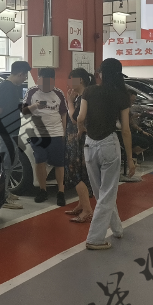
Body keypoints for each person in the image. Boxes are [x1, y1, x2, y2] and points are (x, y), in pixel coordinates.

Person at [77, 58, 134, 250]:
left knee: (102, 193)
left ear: (101, 74)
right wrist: (130, 159)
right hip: (109, 144)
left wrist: (81, 129)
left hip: (89, 144)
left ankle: (117, 229)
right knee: (107, 194)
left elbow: (80, 118)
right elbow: (125, 130)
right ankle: (95, 238)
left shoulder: (89, 91)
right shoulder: (122, 95)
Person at [0, 60, 31, 209]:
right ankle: (2, 197)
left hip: (10, 130)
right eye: (25, 76)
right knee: (6, 162)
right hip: (5, 130)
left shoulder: (4, 85)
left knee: (13, 159)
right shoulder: (8, 88)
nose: (25, 79)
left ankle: (5, 191)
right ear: (20, 74)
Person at [21, 68, 67, 205]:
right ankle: (42, 190)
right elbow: (24, 111)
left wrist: (63, 132)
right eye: (43, 82)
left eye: (49, 83)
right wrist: (35, 106)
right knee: (39, 161)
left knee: (59, 163)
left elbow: (63, 113)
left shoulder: (59, 93)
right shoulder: (32, 92)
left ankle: (61, 192)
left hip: (56, 133)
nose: (46, 86)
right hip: (38, 134)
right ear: (38, 79)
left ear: (53, 81)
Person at [64, 68, 94, 223]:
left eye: (71, 79)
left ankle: (87, 209)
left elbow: (75, 119)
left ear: (80, 80)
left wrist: (69, 102)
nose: (69, 83)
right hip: (76, 140)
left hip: (78, 141)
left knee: (76, 173)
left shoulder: (84, 97)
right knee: (81, 173)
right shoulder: (81, 97)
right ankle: (82, 204)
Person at [128, 91, 153, 156]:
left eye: (134, 100)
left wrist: (142, 131)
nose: (133, 102)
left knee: (149, 138)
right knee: (144, 142)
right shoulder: (123, 110)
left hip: (130, 131)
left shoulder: (129, 109)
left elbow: (132, 123)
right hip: (123, 133)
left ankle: (133, 155)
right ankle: (131, 155)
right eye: (132, 100)